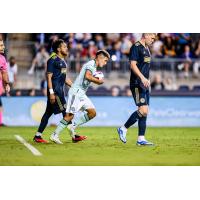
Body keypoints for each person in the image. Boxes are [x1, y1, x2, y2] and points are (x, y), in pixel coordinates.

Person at [50, 50, 110, 144]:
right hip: (76, 93)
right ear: (100, 57)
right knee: (70, 116)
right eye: (105, 60)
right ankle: (55, 135)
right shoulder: (91, 64)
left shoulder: (93, 66)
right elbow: (87, 76)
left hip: (81, 94)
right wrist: (98, 81)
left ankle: (73, 126)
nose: (105, 63)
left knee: (92, 113)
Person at [33, 39, 81, 143]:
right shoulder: (52, 60)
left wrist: (74, 87)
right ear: (58, 49)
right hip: (55, 92)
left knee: (48, 113)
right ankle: (74, 136)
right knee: (66, 113)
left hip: (60, 92)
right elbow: (48, 77)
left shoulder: (62, 61)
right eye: (64, 47)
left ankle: (38, 136)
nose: (66, 48)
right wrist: (51, 93)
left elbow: (64, 78)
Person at [117, 33, 156, 146]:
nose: (154, 40)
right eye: (152, 37)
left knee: (145, 111)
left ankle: (141, 139)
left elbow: (144, 67)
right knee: (143, 110)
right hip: (137, 83)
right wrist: (143, 78)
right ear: (147, 35)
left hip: (145, 83)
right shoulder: (136, 46)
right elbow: (133, 65)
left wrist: (147, 79)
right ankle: (123, 128)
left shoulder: (147, 48)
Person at [0, 38, 10, 126]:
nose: (3, 47)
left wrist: (6, 84)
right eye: (1, 45)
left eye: (3, 45)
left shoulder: (2, 59)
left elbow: (4, 73)